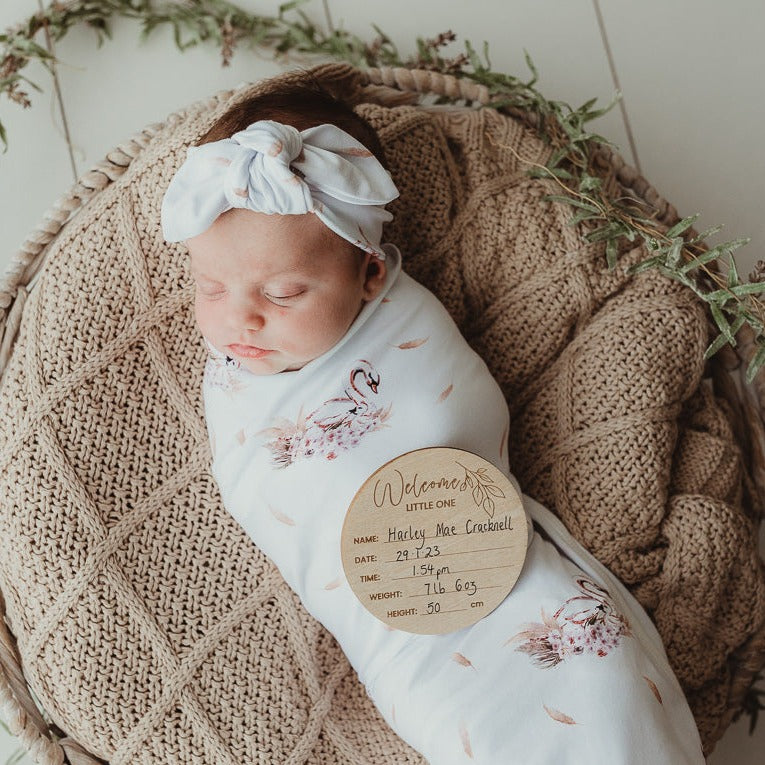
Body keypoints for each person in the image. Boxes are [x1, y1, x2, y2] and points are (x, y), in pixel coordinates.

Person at [161, 77, 705, 764]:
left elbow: (454, 412)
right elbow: (271, 484)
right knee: (475, 726)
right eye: (210, 286)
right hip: (409, 632)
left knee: (599, 678)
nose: (240, 317)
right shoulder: (239, 376)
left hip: (500, 566)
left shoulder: (402, 323)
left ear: (368, 273)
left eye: (283, 292)